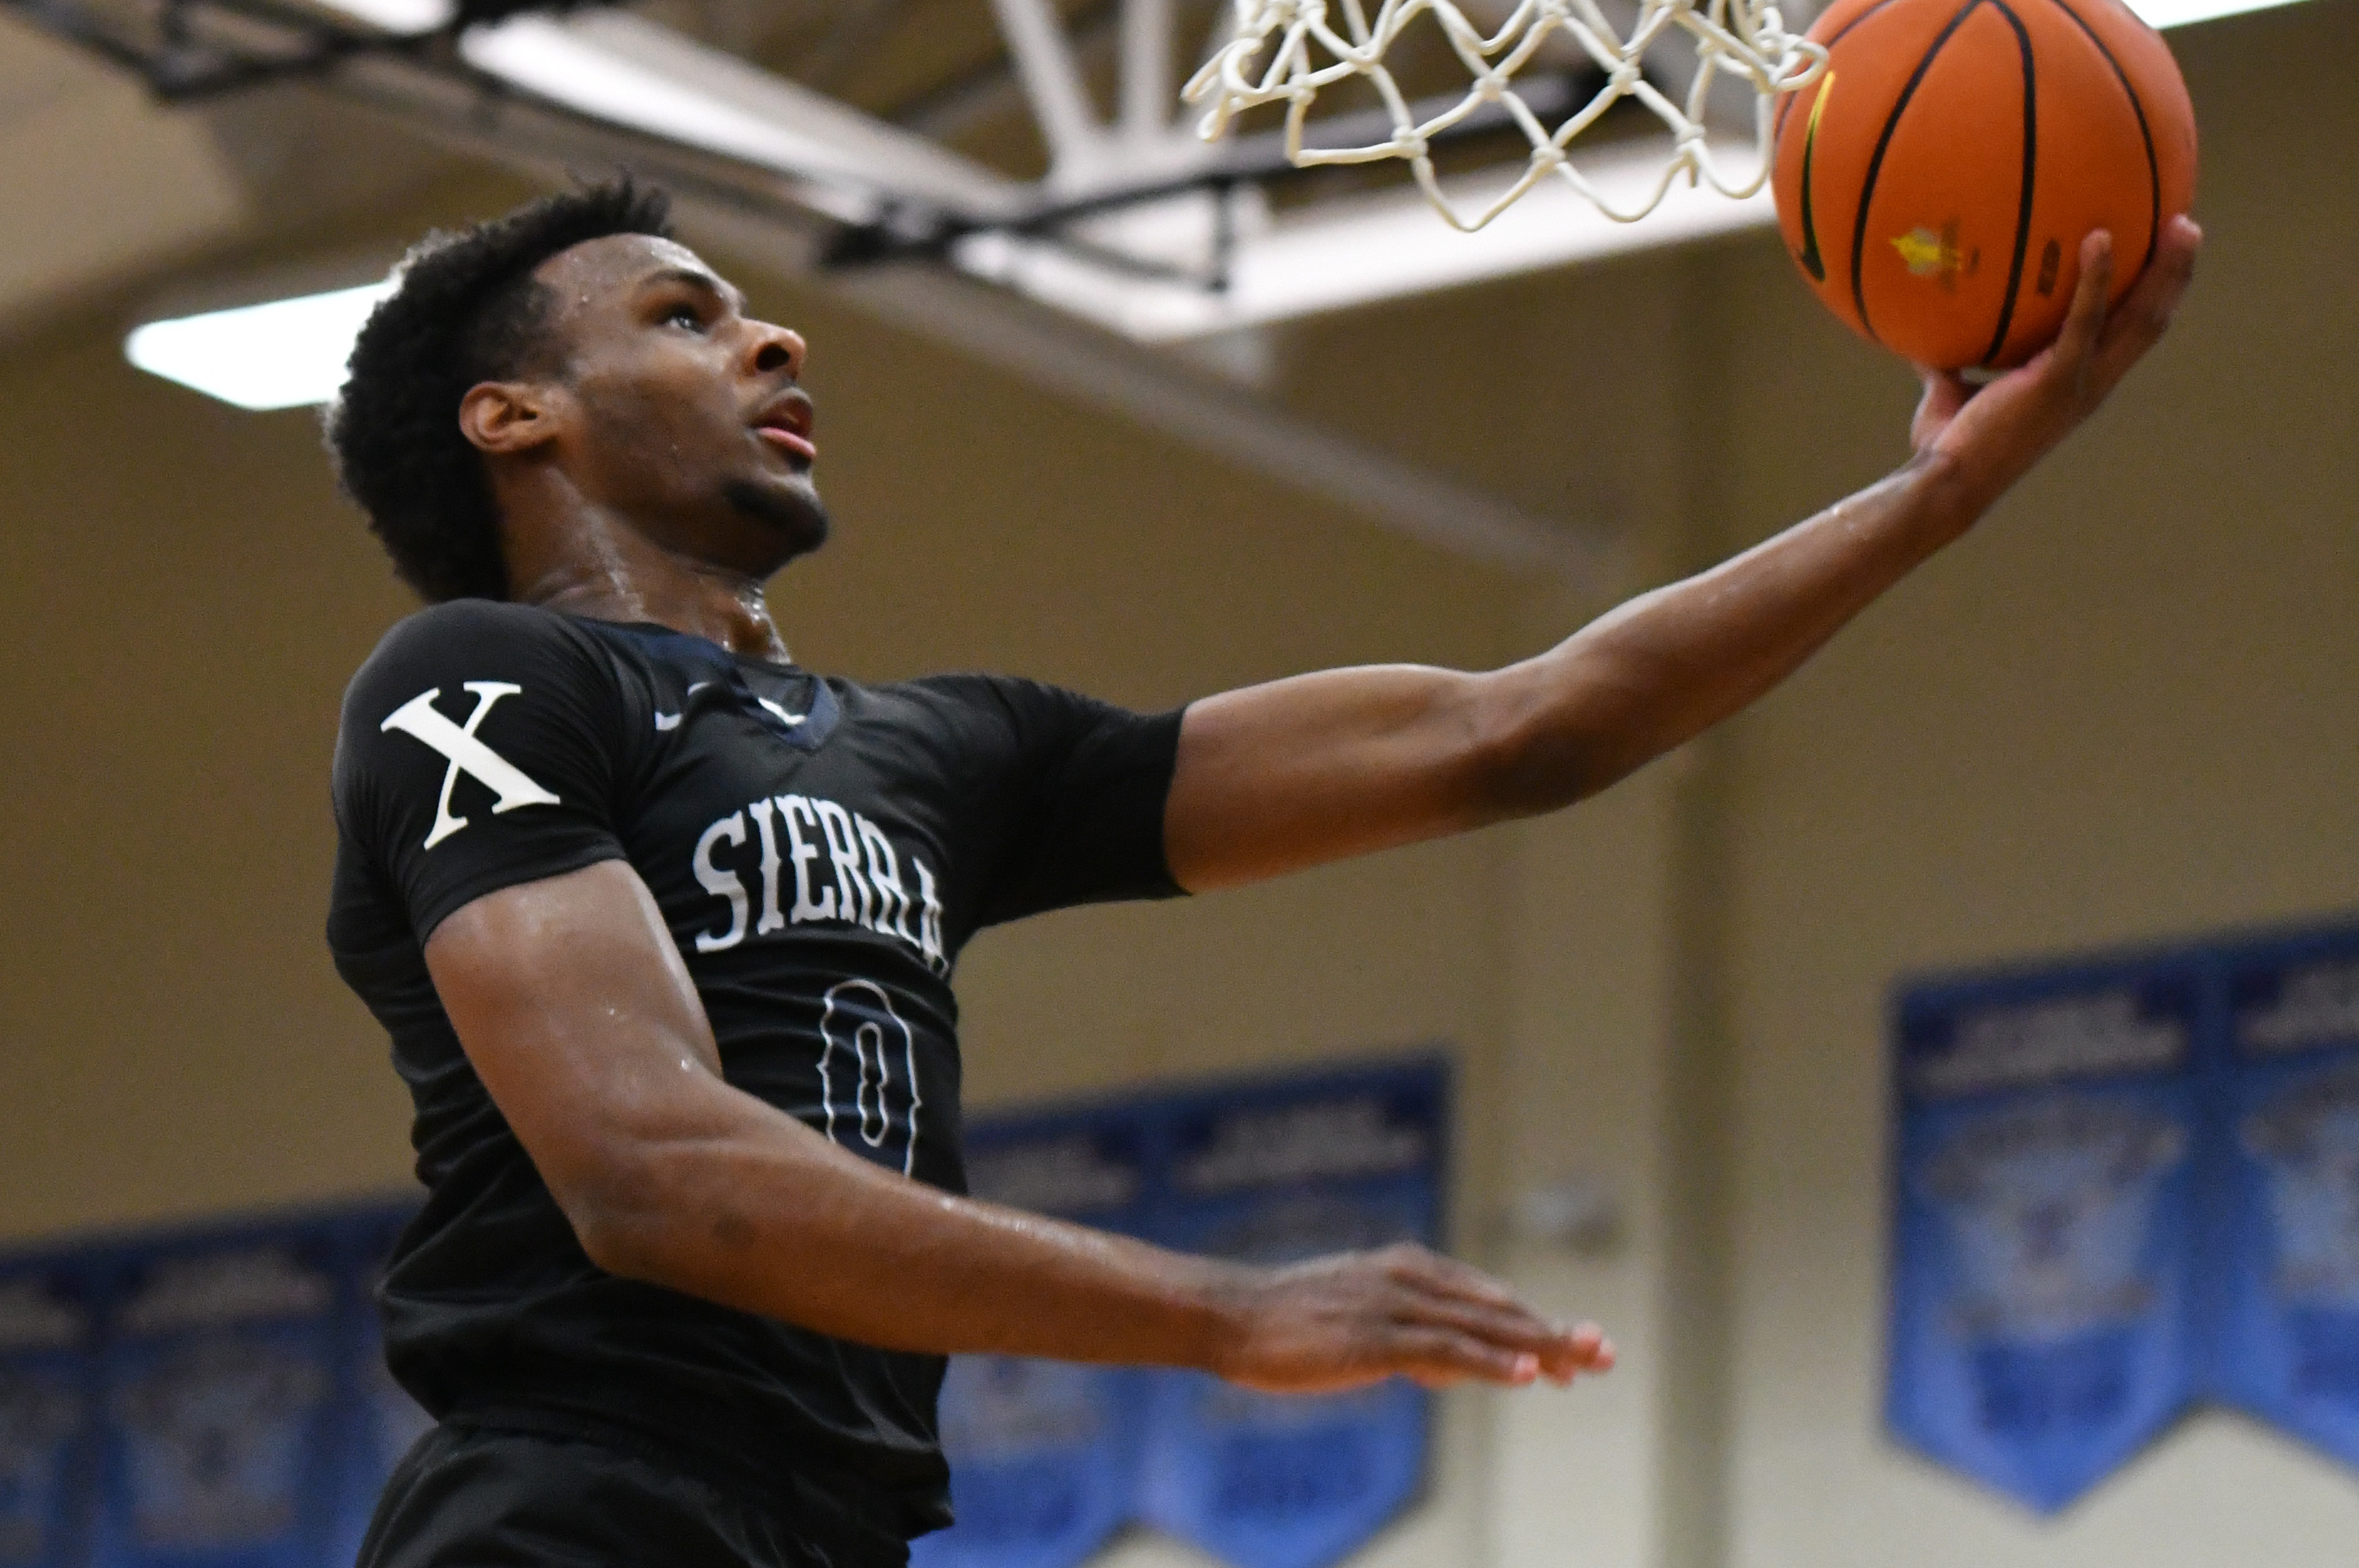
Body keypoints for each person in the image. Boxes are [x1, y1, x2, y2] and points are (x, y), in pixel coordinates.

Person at [323, 175, 2198, 1568]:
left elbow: (1518, 731)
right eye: (680, 315)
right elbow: (651, 1174)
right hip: (574, 1505)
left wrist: (1940, 494)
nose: (775, 338)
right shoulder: (481, 680)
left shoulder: (937, 751)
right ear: (517, 417)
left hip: (841, 1522)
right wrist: (1224, 1312)